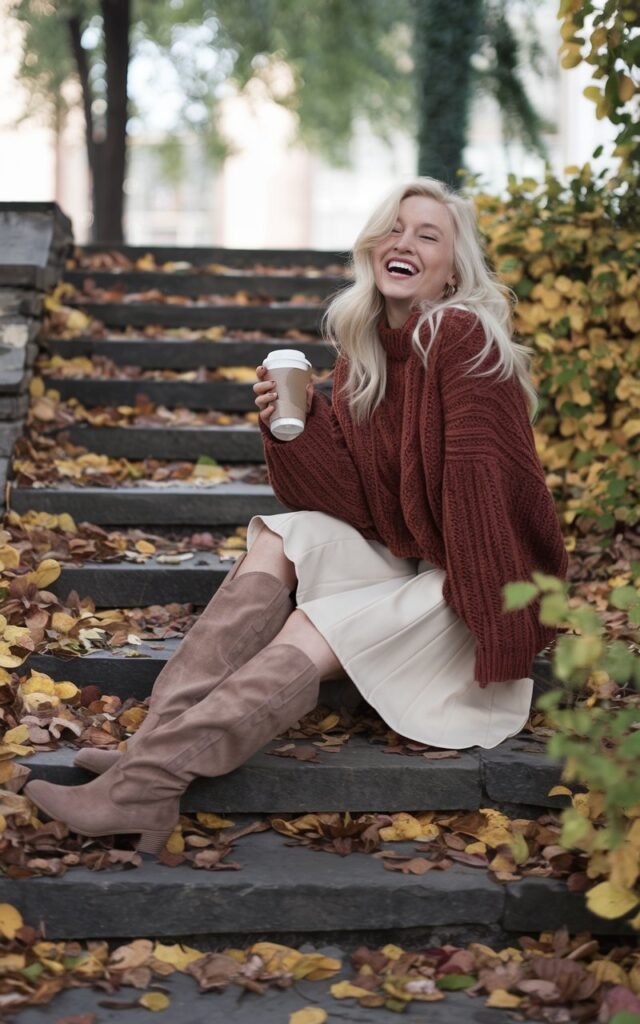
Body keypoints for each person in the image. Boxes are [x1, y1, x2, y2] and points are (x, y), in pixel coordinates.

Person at [25, 177, 568, 855]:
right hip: (420, 570)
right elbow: (347, 505)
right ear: (373, 245)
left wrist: (506, 630)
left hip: (473, 597)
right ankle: (150, 757)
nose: (404, 242)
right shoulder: (361, 362)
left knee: (313, 619)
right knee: (287, 533)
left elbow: (491, 504)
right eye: (394, 229)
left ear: (453, 268)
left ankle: (144, 782)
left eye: (427, 235)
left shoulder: (460, 340)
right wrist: (296, 427)